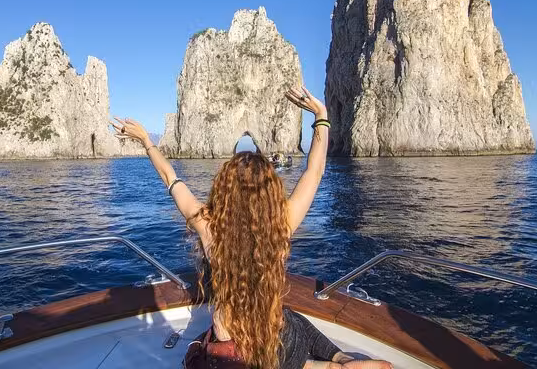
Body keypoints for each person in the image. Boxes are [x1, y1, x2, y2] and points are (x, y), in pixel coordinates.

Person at [110, 86, 392, 369]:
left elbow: (170, 178)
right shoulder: (281, 223)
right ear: (269, 189)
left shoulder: (208, 226)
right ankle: (334, 362)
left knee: (202, 350)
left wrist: (146, 140)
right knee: (288, 318)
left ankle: (323, 365)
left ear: (224, 189)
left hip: (233, 356)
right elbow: (314, 172)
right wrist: (321, 116)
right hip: (279, 346)